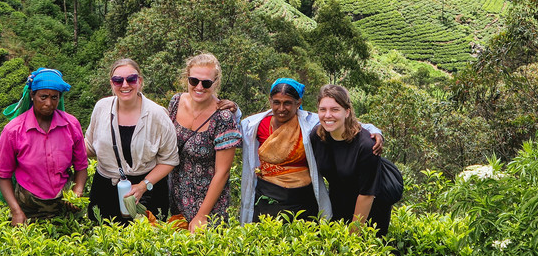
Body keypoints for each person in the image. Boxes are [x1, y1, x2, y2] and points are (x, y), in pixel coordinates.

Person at [240, 78, 383, 224]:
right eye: (277, 102)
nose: (281, 108)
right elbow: (232, 136)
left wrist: (375, 132)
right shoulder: (253, 125)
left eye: (287, 103)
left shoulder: (310, 124)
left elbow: (349, 123)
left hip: (301, 198)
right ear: (270, 101)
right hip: (266, 194)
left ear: (298, 103)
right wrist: (231, 108)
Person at [84, 58, 179, 222]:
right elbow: (89, 147)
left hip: (147, 192)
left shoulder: (157, 114)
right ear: (111, 83)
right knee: (105, 243)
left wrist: (143, 186)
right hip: (105, 190)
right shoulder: (101, 108)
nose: (125, 85)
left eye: (131, 79)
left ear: (140, 81)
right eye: (118, 80)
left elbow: (170, 160)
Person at [0, 68, 89, 226]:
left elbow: (81, 166)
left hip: (65, 204)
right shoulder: (13, 131)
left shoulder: (71, 125)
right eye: (43, 97)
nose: (49, 103)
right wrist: (16, 211)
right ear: (32, 95)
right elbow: (3, 175)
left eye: (54, 97)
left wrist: (77, 191)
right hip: (29, 206)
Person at [167, 53, 242, 232]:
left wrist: (202, 215)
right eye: (194, 81)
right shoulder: (176, 102)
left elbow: (222, 172)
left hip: (209, 204)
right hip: (175, 198)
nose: (199, 87)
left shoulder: (223, 118)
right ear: (187, 79)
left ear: (215, 83)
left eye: (206, 83)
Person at [310, 84, 392, 235]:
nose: (328, 115)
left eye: (335, 109)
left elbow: (367, 194)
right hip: (337, 210)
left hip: (369, 215)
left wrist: (353, 235)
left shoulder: (366, 146)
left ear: (347, 112)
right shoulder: (317, 136)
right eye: (323, 109)